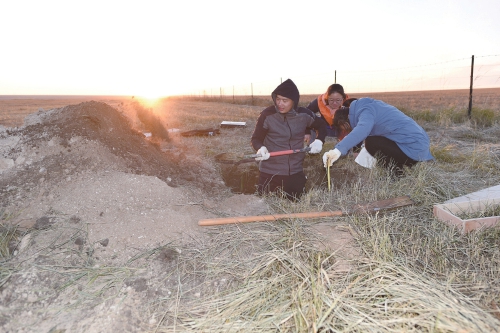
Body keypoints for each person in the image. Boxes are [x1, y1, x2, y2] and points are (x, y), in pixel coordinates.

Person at [251, 79, 327, 200]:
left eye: (285, 101)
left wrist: (319, 140)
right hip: (270, 172)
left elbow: (322, 125)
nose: (280, 104)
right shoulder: (267, 115)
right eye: (278, 99)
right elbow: (256, 138)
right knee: (265, 207)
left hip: (295, 171)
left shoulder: (304, 115)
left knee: (297, 205)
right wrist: (260, 148)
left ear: (294, 101)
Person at [322, 97, 434, 175]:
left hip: (414, 150)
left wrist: (337, 150)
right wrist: (345, 142)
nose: (348, 130)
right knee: (372, 141)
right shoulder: (366, 106)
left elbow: (362, 130)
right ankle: (400, 166)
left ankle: (396, 173)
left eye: (345, 129)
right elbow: (361, 131)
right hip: (417, 146)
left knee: (371, 143)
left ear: (345, 123)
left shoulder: (366, 111)